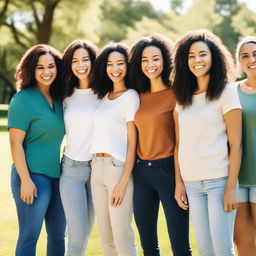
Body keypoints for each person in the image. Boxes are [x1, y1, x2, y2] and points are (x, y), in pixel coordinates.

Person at [172, 29, 242, 256]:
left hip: (219, 181)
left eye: (202, 54)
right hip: (191, 184)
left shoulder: (226, 92)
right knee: (206, 250)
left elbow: (236, 144)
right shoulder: (182, 98)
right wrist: (179, 183)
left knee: (222, 249)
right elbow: (179, 144)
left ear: (214, 57)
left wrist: (231, 187)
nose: (197, 60)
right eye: (191, 56)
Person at [129, 34, 191, 256]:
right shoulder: (136, 96)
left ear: (165, 60)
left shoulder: (177, 94)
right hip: (141, 173)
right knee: (148, 246)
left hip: (169, 171)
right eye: (144, 60)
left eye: (155, 59)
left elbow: (180, 142)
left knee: (180, 246)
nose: (150, 65)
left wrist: (179, 182)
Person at [8, 44, 66, 256]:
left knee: (59, 236)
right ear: (31, 70)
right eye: (40, 67)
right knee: (29, 235)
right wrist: (25, 180)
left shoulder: (60, 99)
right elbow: (15, 143)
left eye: (51, 66)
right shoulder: (22, 99)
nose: (46, 71)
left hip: (57, 177)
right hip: (31, 176)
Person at [90, 43, 138, 256]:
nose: (115, 68)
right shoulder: (102, 96)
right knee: (106, 238)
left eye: (120, 63)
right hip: (96, 169)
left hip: (117, 169)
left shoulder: (131, 97)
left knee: (122, 236)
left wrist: (122, 181)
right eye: (110, 64)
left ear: (127, 66)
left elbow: (132, 144)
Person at [60, 39, 98, 256]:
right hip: (72, 169)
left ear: (93, 62)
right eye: (75, 60)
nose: (80, 64)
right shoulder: (65, 94)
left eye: (85, 59)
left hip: (100, 169)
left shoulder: (105, 93)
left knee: (85, 235)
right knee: (76, 235)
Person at [233, 36, 256, 256]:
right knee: (242, 240)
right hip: (236, 178)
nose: (251, 60)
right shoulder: (231, 92)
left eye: (255, 54)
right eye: (245, 56)